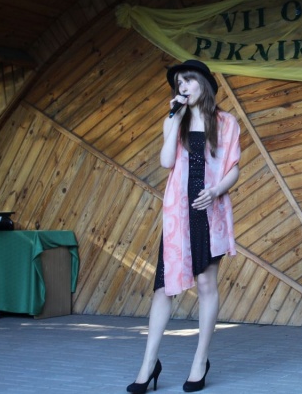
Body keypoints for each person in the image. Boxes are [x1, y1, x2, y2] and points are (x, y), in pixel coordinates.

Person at [127, 60, 241, 393]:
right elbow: (166, 161)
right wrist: (173, 118)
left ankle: (199, 362)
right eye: (179, 83)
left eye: (188, 80)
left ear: (203, 83)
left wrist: (216, 191)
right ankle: (148, 365)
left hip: (208, 211)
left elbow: (233, 167)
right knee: (163, 287)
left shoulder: (226, 122)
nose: (183, 87)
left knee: (206, 285)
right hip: (178, 213)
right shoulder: (174, 120)